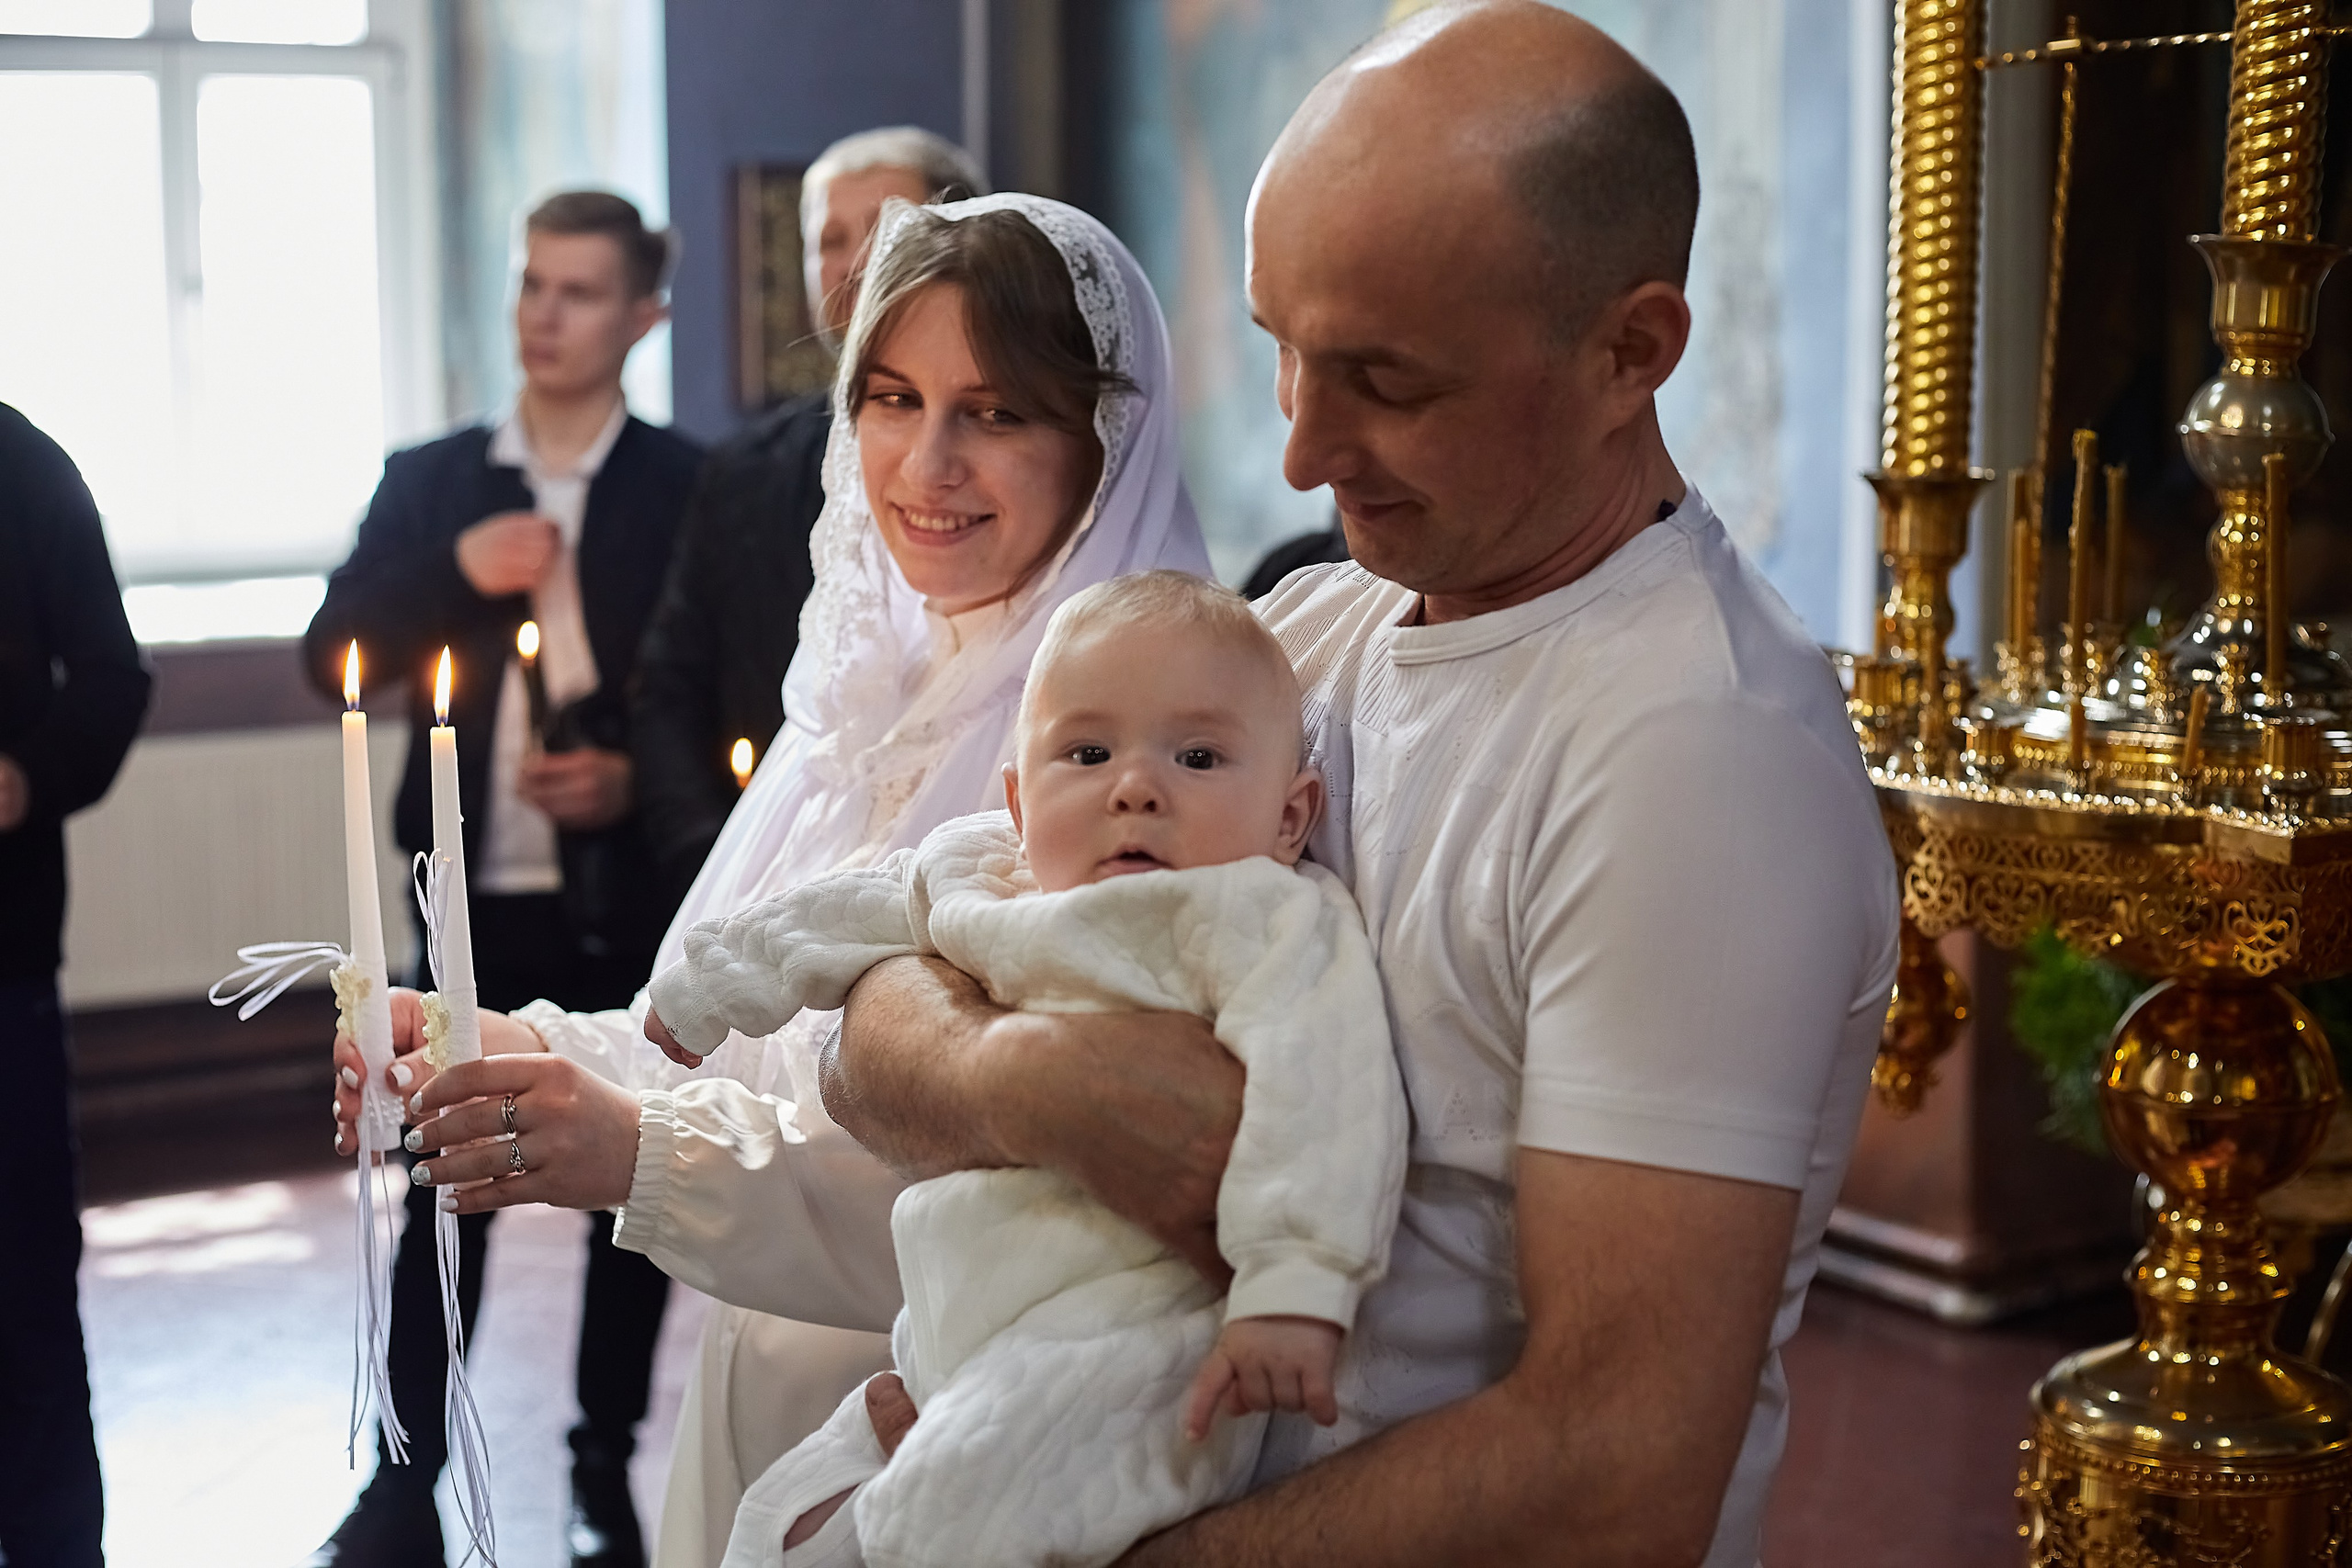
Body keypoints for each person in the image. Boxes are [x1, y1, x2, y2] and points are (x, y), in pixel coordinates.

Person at [820, 6, 1902, 1562]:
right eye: (1281, 350)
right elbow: (881, 1006)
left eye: (1387, 380)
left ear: (1631, 351)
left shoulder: (1696, 759)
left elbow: (1621, 1462)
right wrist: (1028, 1086)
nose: (1305, 450)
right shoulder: (1309, 631)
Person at [338, 194, 1214, 1568]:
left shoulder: (1133, 753)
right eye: (891, 396)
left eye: (993, 413)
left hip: (957, 1433)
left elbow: (1040, 1207)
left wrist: (632, 1152)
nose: (926, 462)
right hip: (762, 1385)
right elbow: (711, 1035)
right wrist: (496, 1042)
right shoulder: (865, 697)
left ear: (1103, 435)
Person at [639, 570, 1406, 1568]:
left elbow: (1329, 1086)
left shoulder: (1261, 918)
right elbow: (831, 916)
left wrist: (1296, 1288)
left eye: (1200, 757)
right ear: (1017, 794)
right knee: (773, 1518)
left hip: (1135, 1336)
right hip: (952, 1317)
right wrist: (702, 991)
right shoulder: (988, 874)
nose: (1135, 786)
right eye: (1085, 753)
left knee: (942, 1526)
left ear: (1290, 816)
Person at [301, 191, 702, 1568]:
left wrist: (634, 786)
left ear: (643, 317)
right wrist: (453, 569)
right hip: (469, 885)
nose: (544, 314)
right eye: (533, 284)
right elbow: (330, 652)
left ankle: (600, 1473)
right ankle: (401, 1474)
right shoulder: (435, 478)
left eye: (581, 292)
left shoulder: (685, 485)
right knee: (438, 1159)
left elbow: (718, 694)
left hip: (630, 889)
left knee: (626, 1178)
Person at [634, 129, 986, 903]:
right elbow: (671, 683)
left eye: (885, 229)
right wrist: (720, 854)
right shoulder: (739, 471)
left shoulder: (1002, 468)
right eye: (830, 239)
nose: (856, 261)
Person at [0, 403, 152, 1568]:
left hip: (2, 960)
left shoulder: (24, 464)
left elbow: (110, 678)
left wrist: (24, 776)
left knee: (24, 1288)